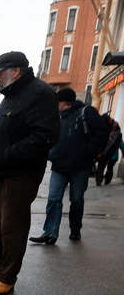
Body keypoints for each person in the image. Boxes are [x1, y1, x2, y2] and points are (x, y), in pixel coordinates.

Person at [0, 52, 60, 295]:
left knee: (11, 227)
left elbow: (45, 137)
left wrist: (7, 154)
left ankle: (6, 277)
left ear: (15, 71)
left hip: (19, 174)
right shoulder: (12, 95)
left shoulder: (40, 94)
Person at [29, 88, 108, 245]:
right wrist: (51, 153)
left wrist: (89, 151)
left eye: (56, 102)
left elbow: (102, 132)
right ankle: (50, 232)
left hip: (80, 166)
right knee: (53, 199)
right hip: (59, 166)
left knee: (76, 199)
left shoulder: (86, 113)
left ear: (64, 102)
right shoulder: (59, 118)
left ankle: (75, 229)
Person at [95, 112, 122, 186]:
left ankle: (99, 180)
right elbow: (121, 145)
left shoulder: (106, 131)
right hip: (113, 155)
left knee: (101, 166)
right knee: (109, 168)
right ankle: (106, 180)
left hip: (105, 153)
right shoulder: (117, 134)